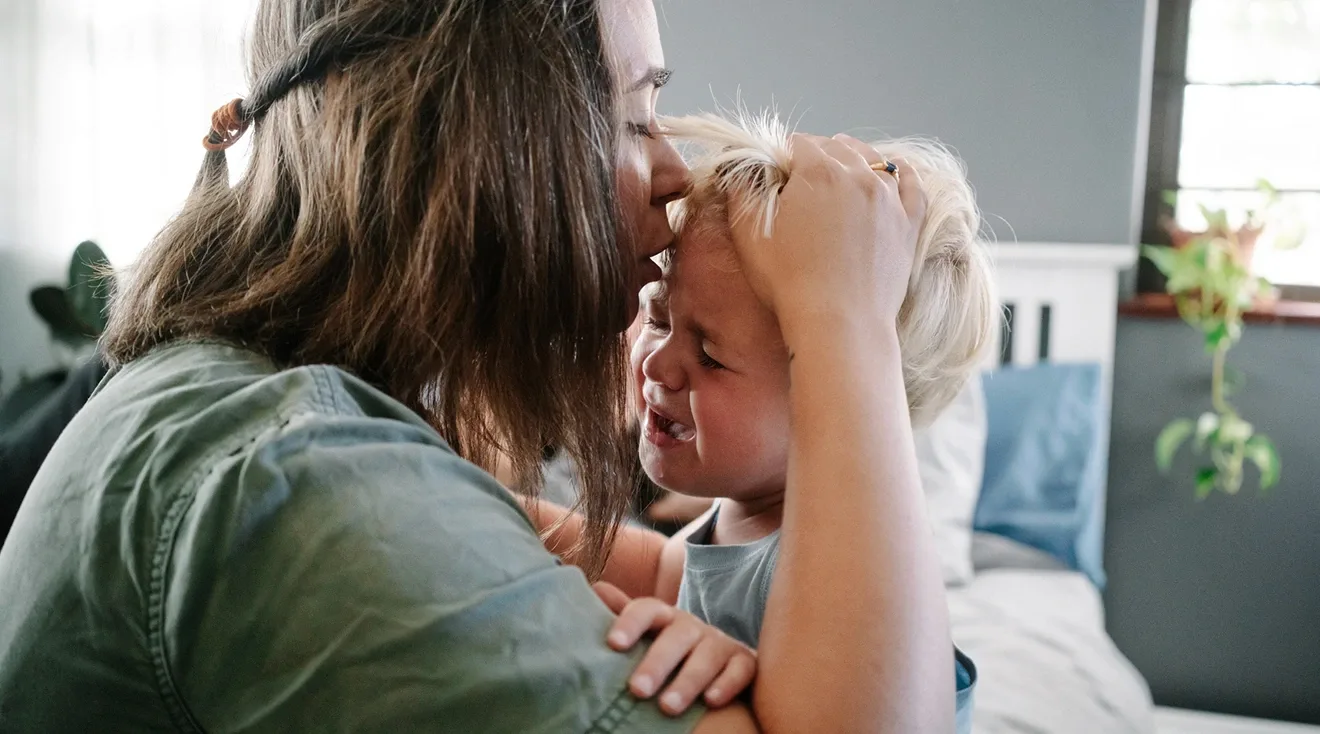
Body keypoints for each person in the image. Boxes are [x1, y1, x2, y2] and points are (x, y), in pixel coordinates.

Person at [0, 2, 954, 732]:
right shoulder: (300, 480)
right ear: (486, 146)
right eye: (631, 117)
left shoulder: (267, 410)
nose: (671, 179)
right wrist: (844, 322)